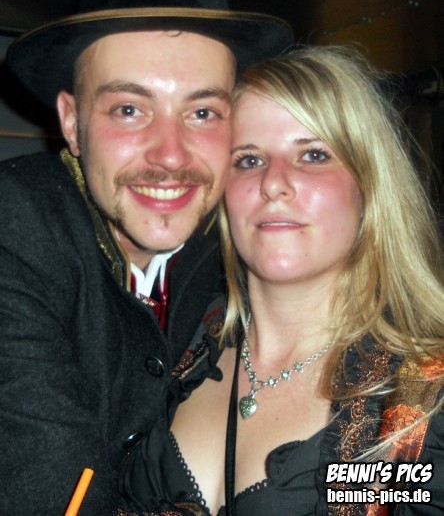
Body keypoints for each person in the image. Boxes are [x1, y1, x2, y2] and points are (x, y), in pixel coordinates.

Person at [0, 0, 293, 513]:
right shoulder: (14, 229)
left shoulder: (248, 240)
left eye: (202, 112)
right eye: (129, 110)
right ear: (71, 122)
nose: (171, 155)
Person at [119, 46, 444, 515]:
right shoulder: (168, 350)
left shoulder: (423, 397)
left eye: (313, 154)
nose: (273, 183)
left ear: (369, 186)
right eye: (248, 160)